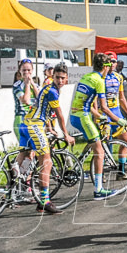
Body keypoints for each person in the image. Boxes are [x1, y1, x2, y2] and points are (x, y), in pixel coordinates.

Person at [69, 53, 127, 198]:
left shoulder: (87, 77)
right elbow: (105, 107)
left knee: (95, 143)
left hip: (76, 116)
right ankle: (99, 190)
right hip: (83, 117)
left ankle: (78, 164)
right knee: (100, 151)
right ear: (106, 67)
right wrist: (118, 120)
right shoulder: (99, 81)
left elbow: (88, 104)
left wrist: (100, 117)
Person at [24, 64, 76, 214]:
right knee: (46, 162)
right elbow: (59, 114)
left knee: (31, 159)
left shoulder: (47, 88)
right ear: (52, 77)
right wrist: (66, 134)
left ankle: (13, 185)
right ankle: (45, 201)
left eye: (62, 78)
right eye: (57, 77)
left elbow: (43, 108)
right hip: (35, 125)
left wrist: (49, 127)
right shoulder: (53, 91)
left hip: (29, 123)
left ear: (66, 80)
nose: (60, 80)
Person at [102, 51, 127, 178]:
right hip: (104, 113)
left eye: (114, 61)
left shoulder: (119, 77)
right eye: (109, 61)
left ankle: (121, 171)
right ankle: (101, 174)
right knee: (105, 144)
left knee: (126, 141)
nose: (111, 63)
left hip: (116, 112)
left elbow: (122, 98)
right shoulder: (100, 77)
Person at [11, 58, 38, 179]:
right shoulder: (17, 85)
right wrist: (27, 85)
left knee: (31, 152)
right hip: (20, 120)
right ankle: (18, 177)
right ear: (20, 71)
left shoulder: (35, 84)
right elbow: (26, 100)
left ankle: (22, 178)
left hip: (32, 120)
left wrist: (32, 84)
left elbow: (41, 98)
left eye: (29, 70)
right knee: (25, 151)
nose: (26, 72)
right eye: (24, 70)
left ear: (32, 71)